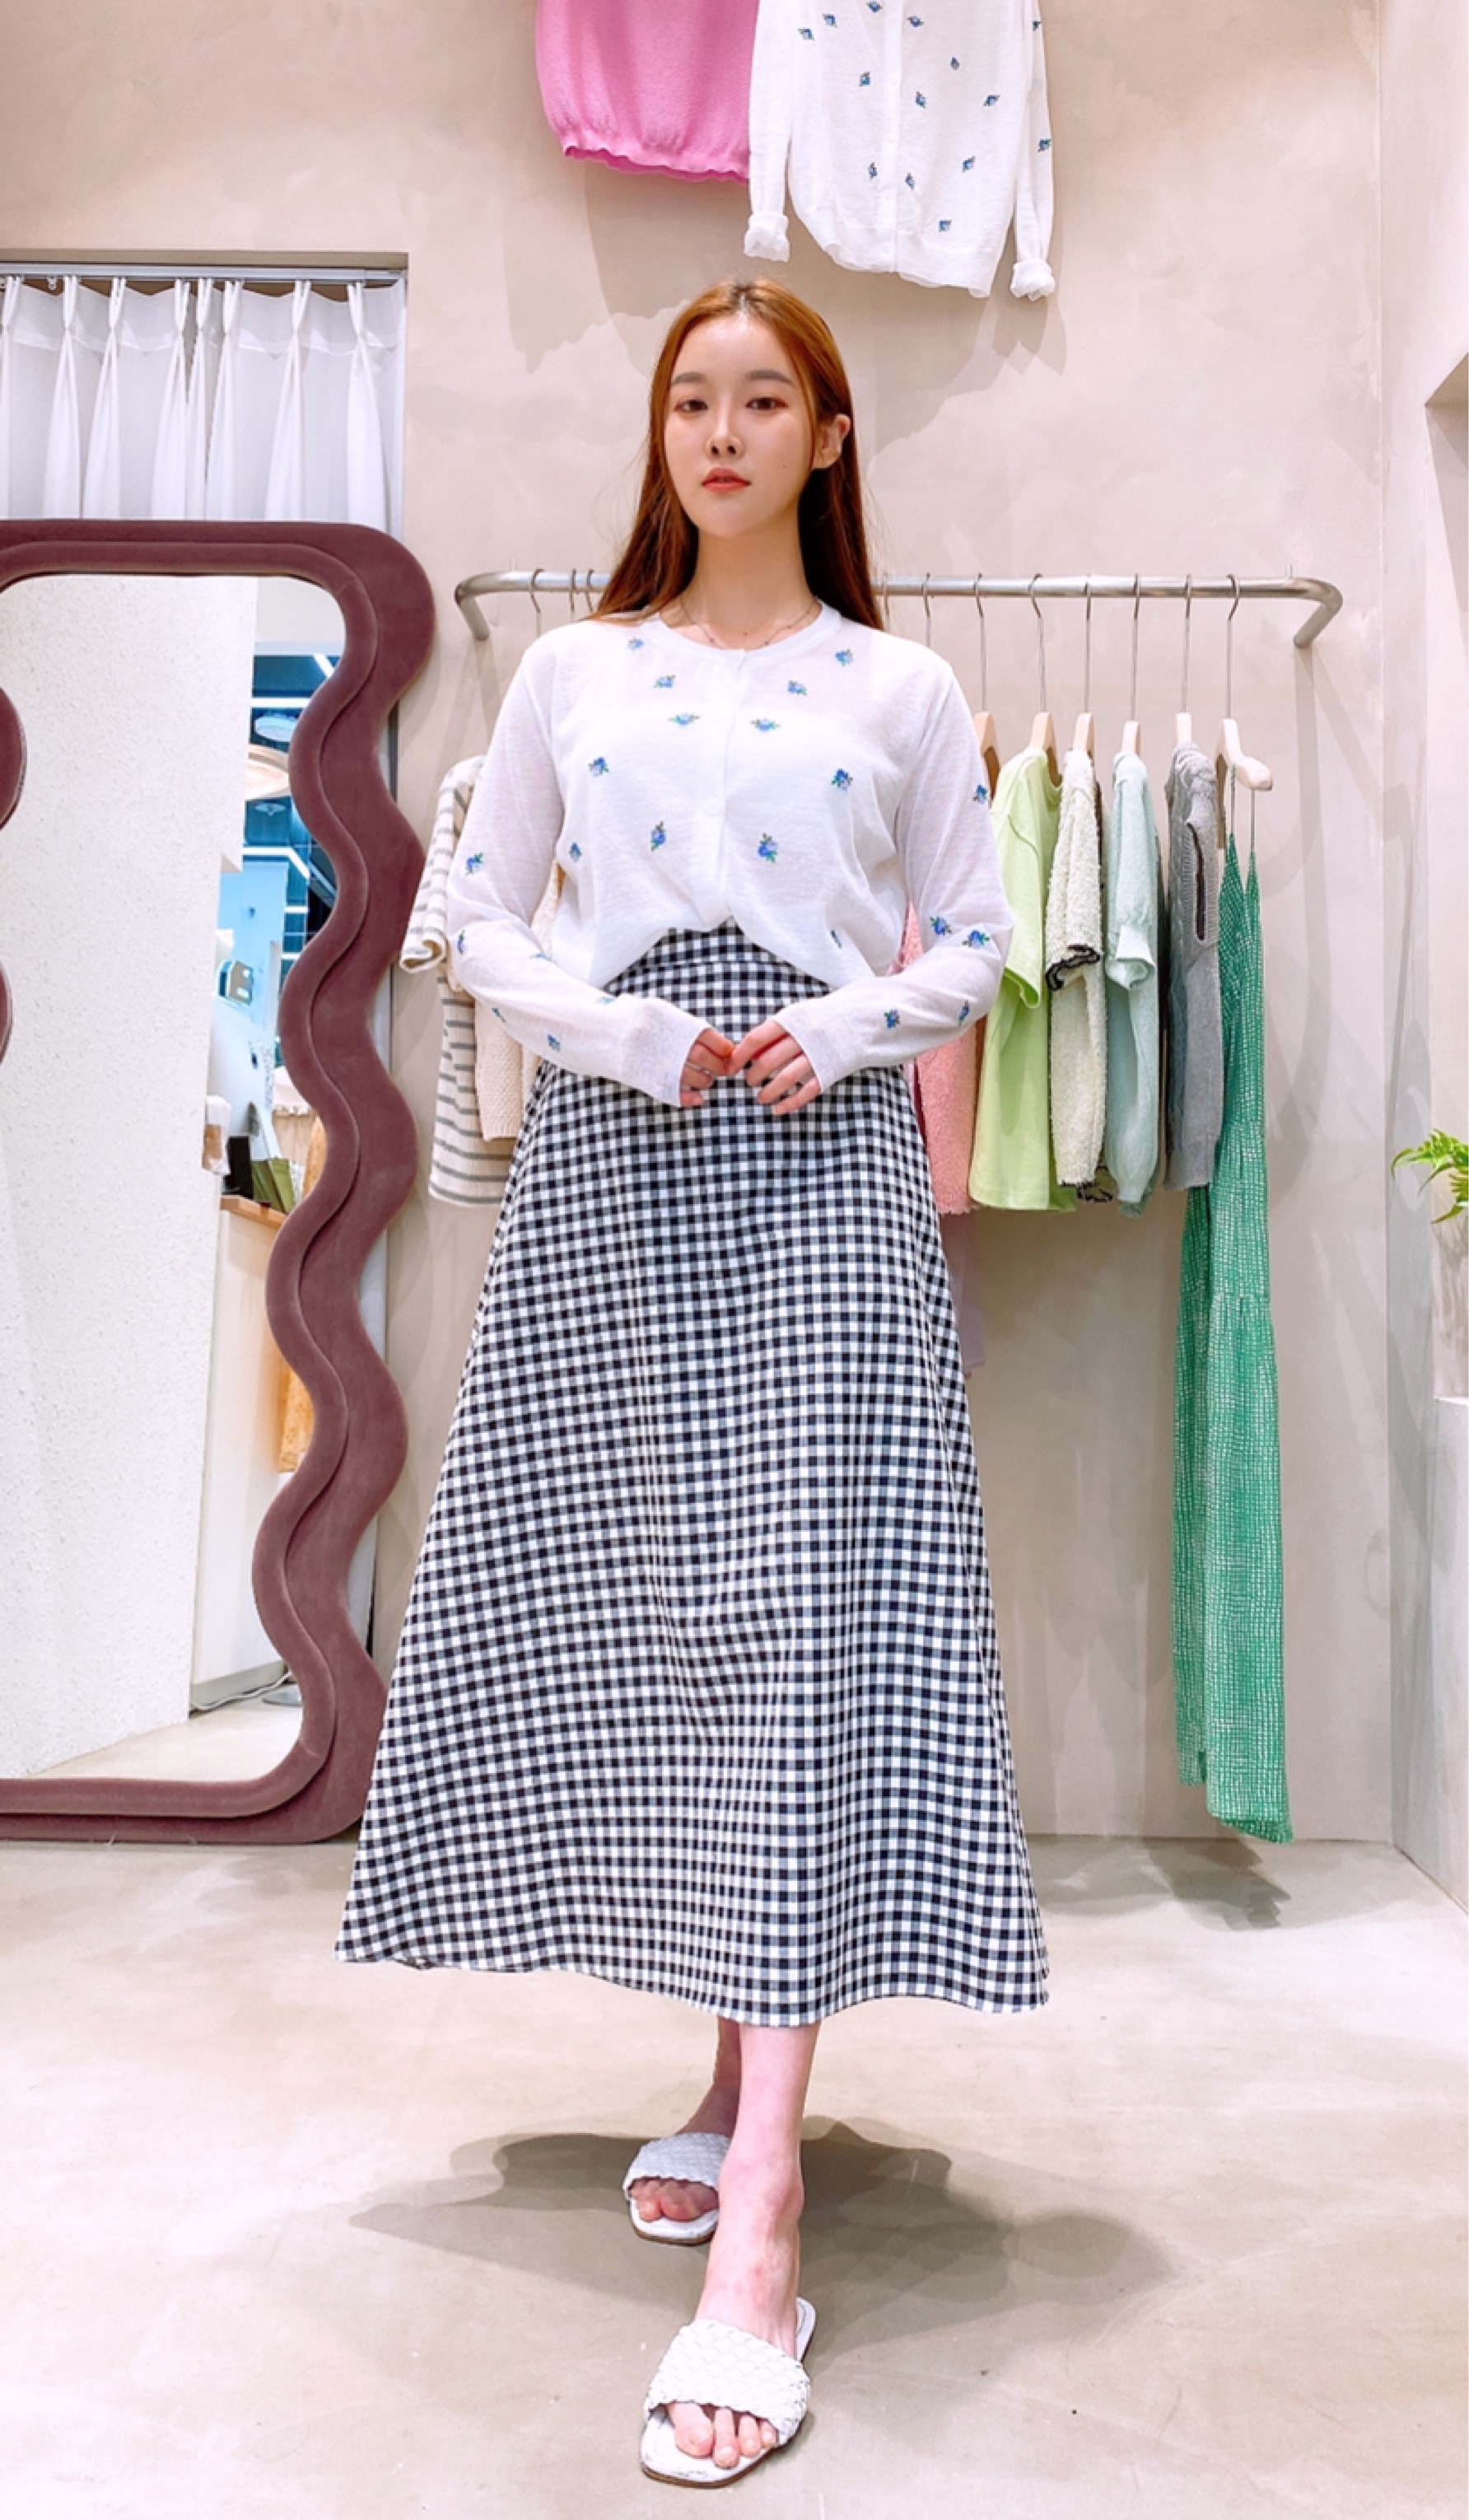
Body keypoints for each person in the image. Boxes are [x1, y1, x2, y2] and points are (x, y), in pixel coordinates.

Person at [335, 275, 1049, 2488]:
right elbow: (474, 915)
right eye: (689, 398)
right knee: (649, 1613)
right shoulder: (573, 669)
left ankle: (764, 2212)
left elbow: (976, 937)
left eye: (764, 400)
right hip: (616, 1166)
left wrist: (833, 1031)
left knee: (806, 1623)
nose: (719, 430)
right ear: (662, 433)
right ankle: (734, 2075)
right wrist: (637, 1036)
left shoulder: (904, 687)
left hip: (823, 1172)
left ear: (829, 440)